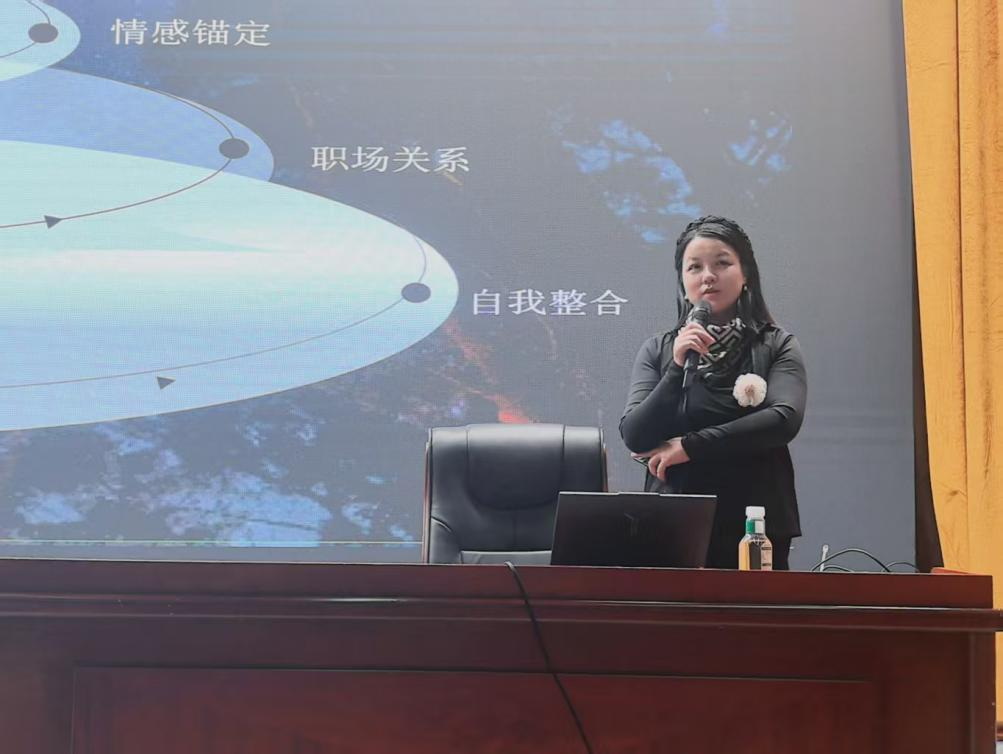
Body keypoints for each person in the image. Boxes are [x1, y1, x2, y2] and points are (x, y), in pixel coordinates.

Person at [619, 215, 806, 569]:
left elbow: (783, 419)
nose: (708, 276)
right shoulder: (659, 350)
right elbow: (635, 433)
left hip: (754, 524)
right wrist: (676, 368)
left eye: (722, 263)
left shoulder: (775, 344)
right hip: (674, 522)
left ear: (745, 274)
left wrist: (690, 447)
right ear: (682, 281)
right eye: (695, 267)